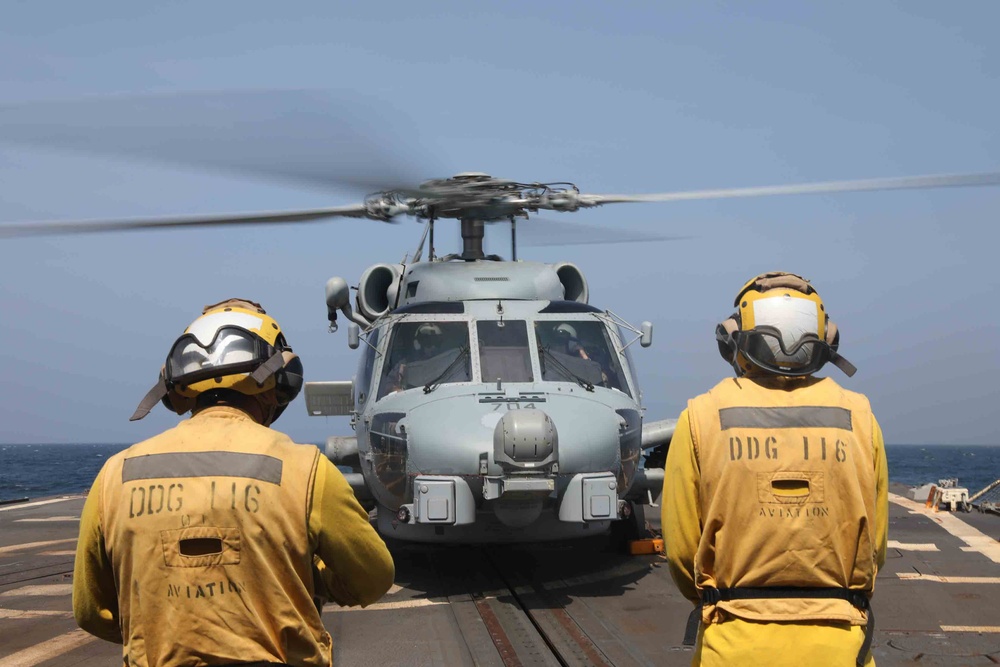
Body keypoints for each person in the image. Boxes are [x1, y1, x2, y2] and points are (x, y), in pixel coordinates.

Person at [73, 298, 395, 667]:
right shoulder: (307, 469)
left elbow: (89, 610)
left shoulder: (115, 474)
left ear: (176, 387)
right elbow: (374, 576)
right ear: (280, 381)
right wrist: (317, 579)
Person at [661, 272, 888, 667]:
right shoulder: (860, 416)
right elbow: (876, 548)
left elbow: (682, 554)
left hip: (731, 644)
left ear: (733, 337)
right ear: (827, 338)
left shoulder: (700, 416)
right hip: (840, 647)